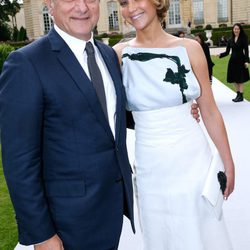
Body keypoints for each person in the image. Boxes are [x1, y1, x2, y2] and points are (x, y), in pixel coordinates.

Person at [0, 0, 136, 249]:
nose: (82, 7)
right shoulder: (26, 63)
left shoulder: (107, 54)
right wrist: (41, 234)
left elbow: (109, 120)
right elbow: (19, 160)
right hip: (65, 223)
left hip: (110, 210)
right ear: (50, 5)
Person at [113, 0, 235, 249]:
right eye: (124, 2)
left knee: (200, 231)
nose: (131, 8)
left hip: (192, 159)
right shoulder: (118, 54)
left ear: (157, 2)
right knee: (161, 234)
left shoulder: (189, 48)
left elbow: (209, 111)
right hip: (149, 165)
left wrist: (228, 160)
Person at [219, 23, 249, 102]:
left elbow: (246, 51)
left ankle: (241, 95)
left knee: (240, 79)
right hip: (232, 61)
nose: (236, 30)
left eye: (238, 29)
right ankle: (238, 94)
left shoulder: (244, 38)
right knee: (234, 79)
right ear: (233, 30)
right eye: (235, 29)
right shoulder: (230, 39)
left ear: (240, 30)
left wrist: (247, 61)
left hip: (241, 61)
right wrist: (220, 55)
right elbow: (227, 51)